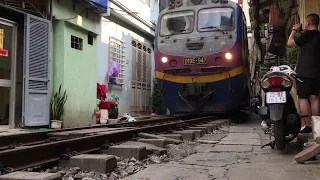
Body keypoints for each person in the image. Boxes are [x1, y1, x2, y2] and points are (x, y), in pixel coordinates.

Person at [287, 13, 320, 133]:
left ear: (308, 22)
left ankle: (307, 125)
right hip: (316, 72)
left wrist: (294, 30)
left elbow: (290, 43)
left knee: (303, 98)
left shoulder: (307, 34)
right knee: (314, 97)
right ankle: (316, 125)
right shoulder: (318, 35)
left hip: (304, 72)